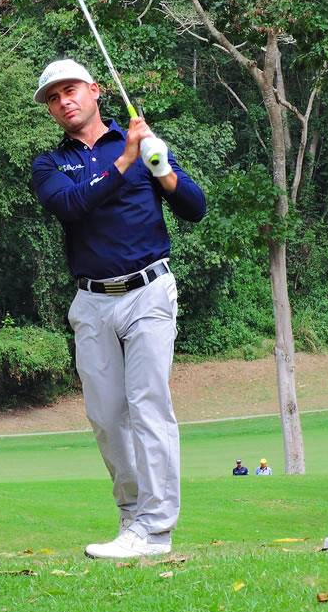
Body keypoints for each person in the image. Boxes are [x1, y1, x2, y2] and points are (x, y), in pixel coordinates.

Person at [30, 59, 207, 559]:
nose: (63, 101)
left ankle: (156, 529)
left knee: (149, 405)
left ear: (94, 91)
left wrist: (162, 168)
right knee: (107, 418)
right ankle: (132, 520)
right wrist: (126, 162)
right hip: (91, 301)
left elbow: (195, 208)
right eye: (53, 98)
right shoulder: (49, 164)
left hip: (148, 290)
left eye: (70, 90)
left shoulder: (141, 144)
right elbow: (70, 206)